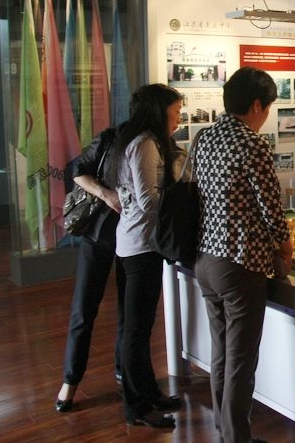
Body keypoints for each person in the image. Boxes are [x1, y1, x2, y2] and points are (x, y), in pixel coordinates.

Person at [193, 66, 292, 443]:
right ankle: (236, 438)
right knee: (240, 362)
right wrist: (285, 245)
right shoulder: (253, 144)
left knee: (221, 353)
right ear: (255, 105)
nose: (266, 115)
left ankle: (225, 429)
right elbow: (271, 207)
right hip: (240, 262)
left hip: (205, 258)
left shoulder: (205, 136)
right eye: (268, 107)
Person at [107, 83, 185, 428]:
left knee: (138, 327)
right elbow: (148, 200)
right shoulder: (145, 144)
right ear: (159, 111)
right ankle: (136, 406)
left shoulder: (140, 141)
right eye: (175, 111)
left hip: (137, 243)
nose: (178, 118)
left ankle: (149, 393)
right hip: (141, 245)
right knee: (136, 330)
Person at [55, 126, 124, 413]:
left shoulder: (159, 144)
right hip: (98, 232)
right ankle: (70, 380)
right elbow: (78, 171)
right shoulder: (112, 138)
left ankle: (124, 370)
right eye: (175, 112)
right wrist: (106, 194)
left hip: (135, 237)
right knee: (83, 307)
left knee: (129, 310)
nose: (177, 120)